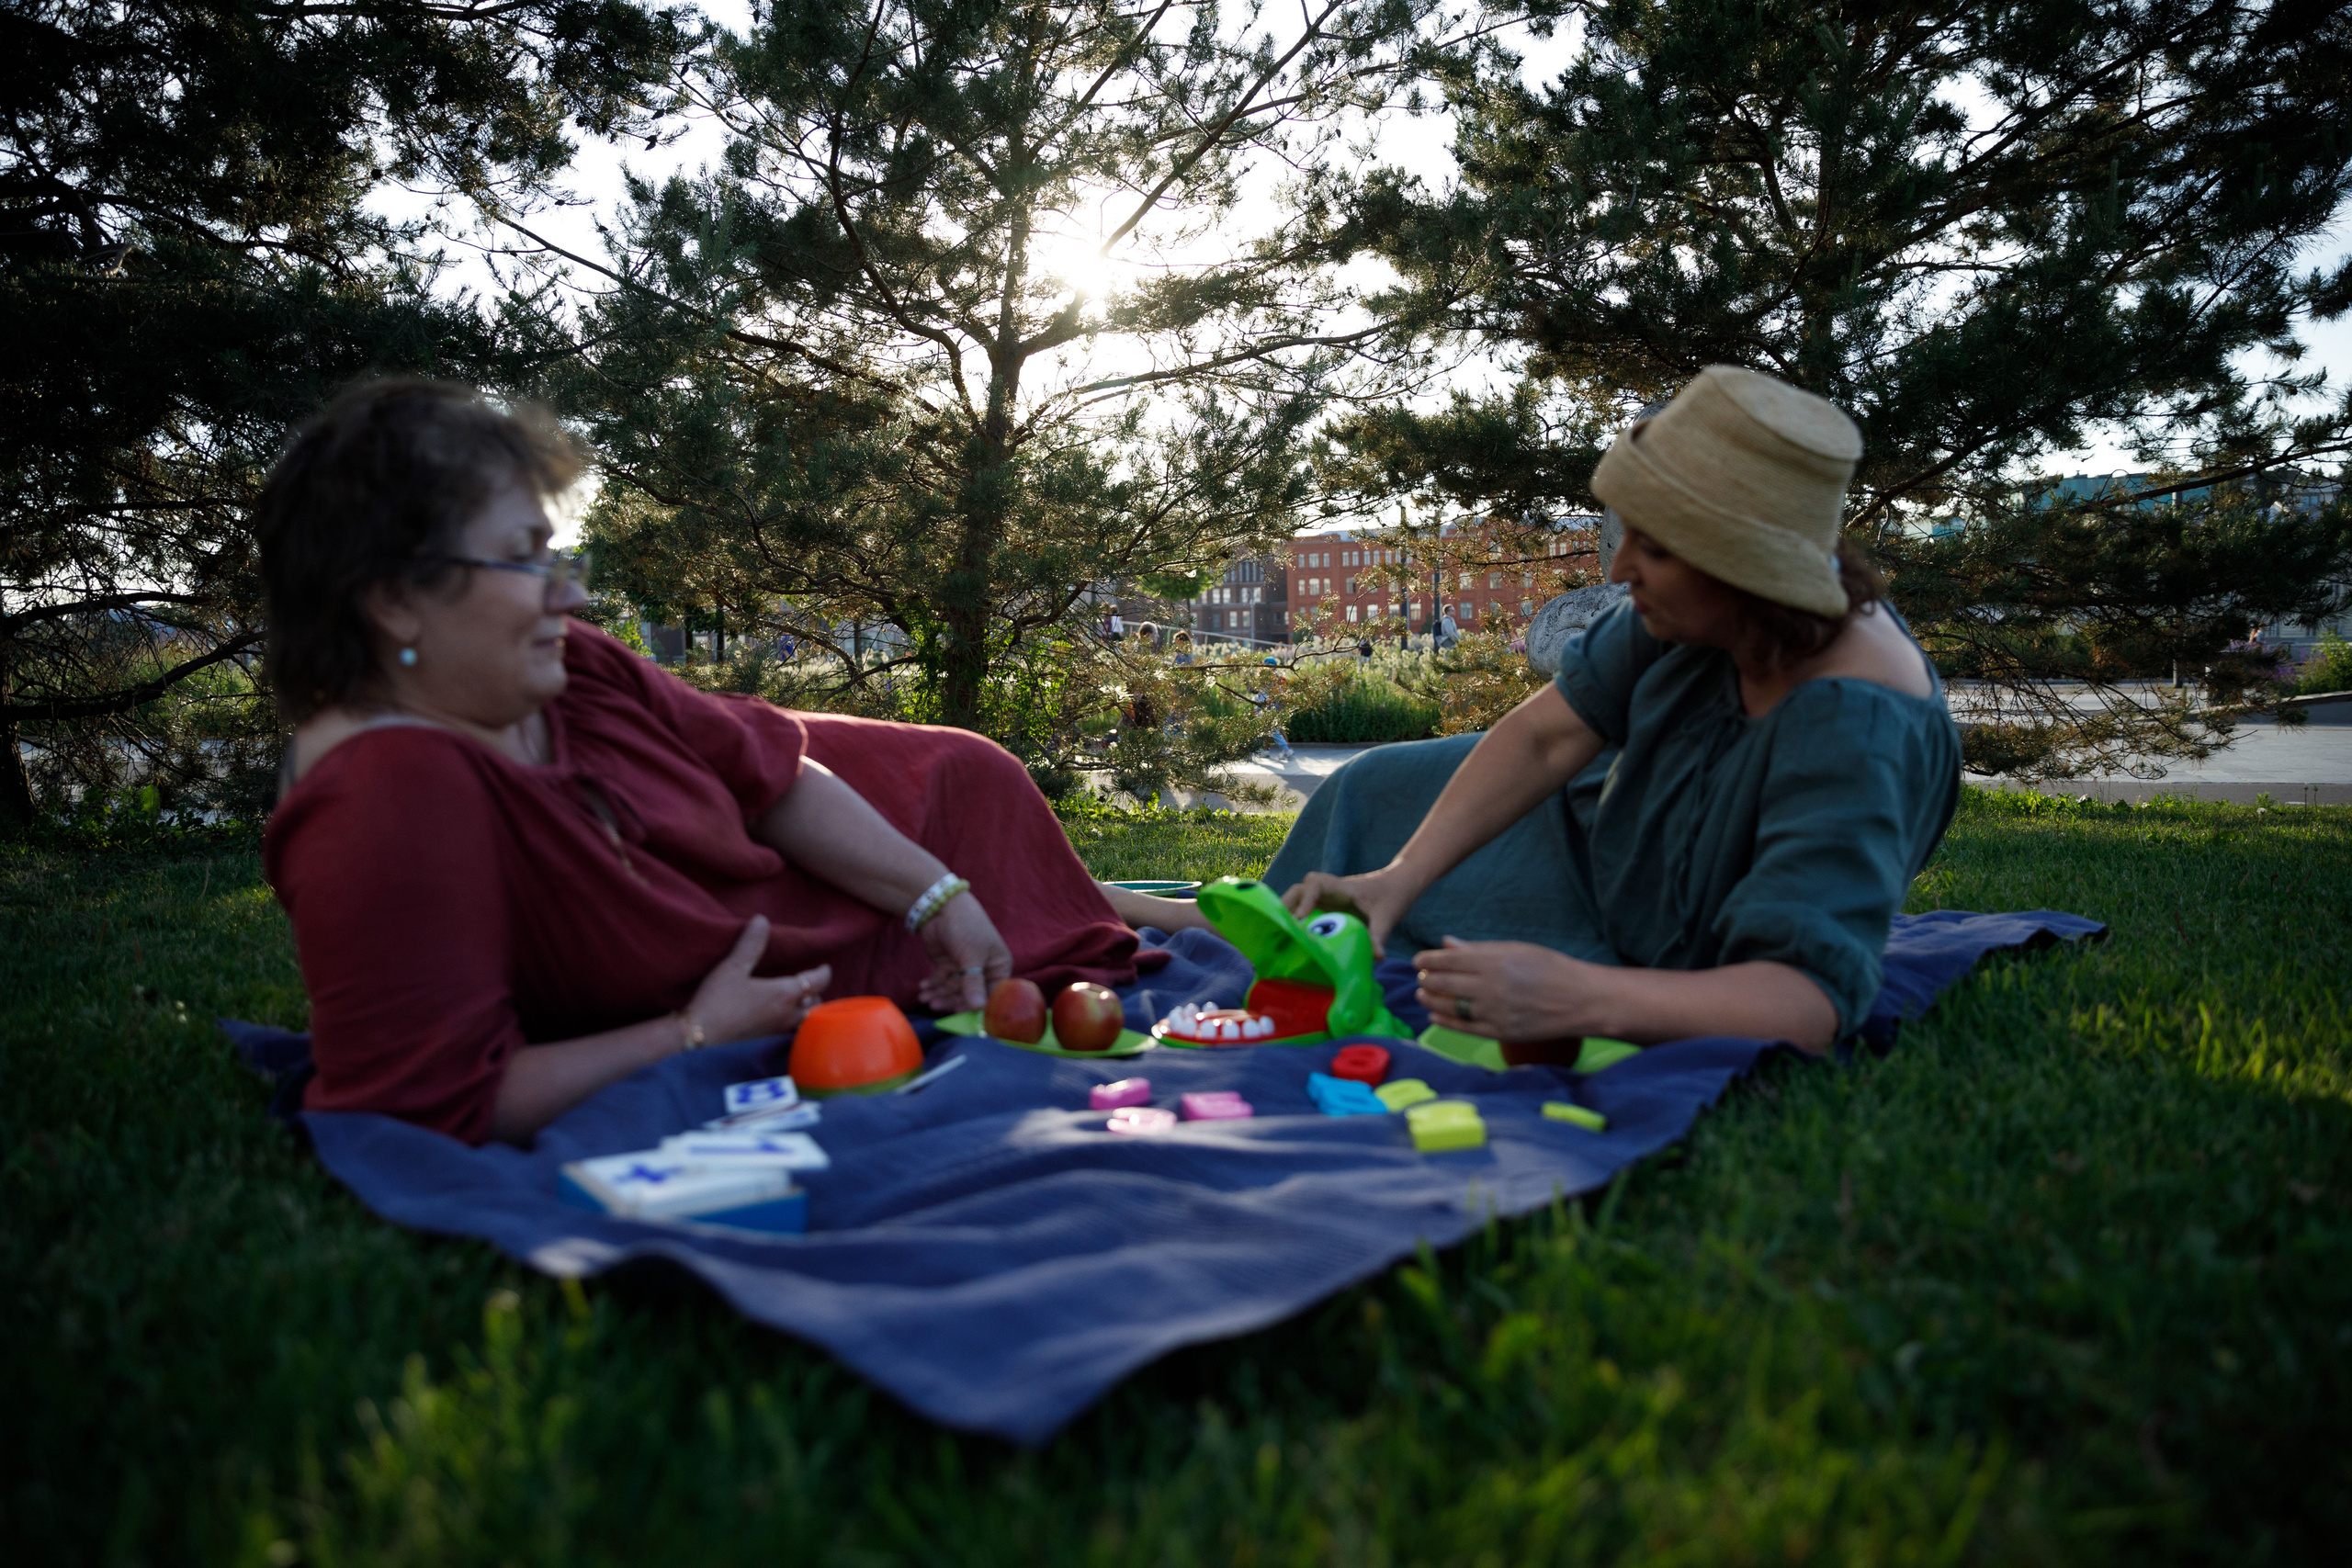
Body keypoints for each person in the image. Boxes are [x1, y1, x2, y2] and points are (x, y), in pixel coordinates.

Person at [260, 380, 1136, 1145]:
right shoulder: (386, 798)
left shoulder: (574, 669)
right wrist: (692, 1034)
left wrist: (935, 895)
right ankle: (1159, 911)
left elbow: (773, 774)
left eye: (556, 554)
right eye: (524, 559)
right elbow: (436, 1103)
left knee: (979, 790)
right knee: (1048, 908)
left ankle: (1153, 908)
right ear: (395, 599)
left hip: (859, 862)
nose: (571, 593)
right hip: (813, 963)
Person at [1114, 367, 1959, 1055]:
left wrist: (1575, 995)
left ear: (1747, 570)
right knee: (1371, 787)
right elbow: (1551, 732)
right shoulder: (1698, 607)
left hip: (1665, 926)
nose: (1621, 567)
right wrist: (1396, 879)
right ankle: (1247, 919)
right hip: (1601, 808)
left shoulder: (1854, 731)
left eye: (1656, 548)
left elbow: (1806, 1004)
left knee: (1455, 879)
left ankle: (1250, 923)